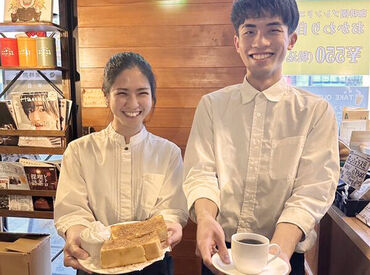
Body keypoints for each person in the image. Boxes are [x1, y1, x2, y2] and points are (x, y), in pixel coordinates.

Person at [183, 1, 340, 274]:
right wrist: (206, 218)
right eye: (250, 31)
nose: (260, 41)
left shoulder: (315, 111)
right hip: (221, 250)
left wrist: (276, 256)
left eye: (272, 30)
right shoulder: (212, 105)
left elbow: (312, 190)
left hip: (281, 252)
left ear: (291, 39)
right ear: (236, 42)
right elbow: (201, 173)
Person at [54, 52, 188, 275]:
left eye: (142, 93)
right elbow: (72, 209)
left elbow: (171, 208)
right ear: (107, 96)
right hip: (96, 262)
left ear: (153, 97)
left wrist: (171, 225)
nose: (133, 103)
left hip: (152, 264)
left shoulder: (168, 152)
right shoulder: (79, 151)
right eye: (122, 93)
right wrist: (76, 232)